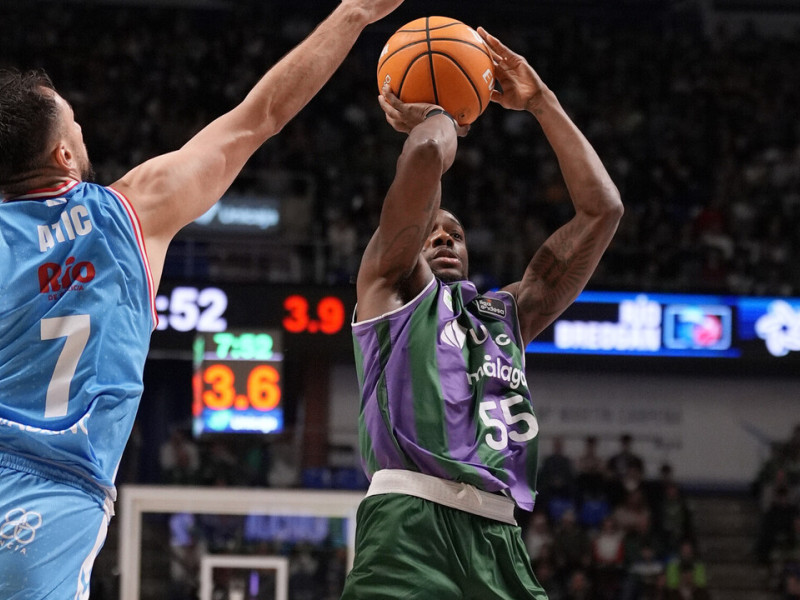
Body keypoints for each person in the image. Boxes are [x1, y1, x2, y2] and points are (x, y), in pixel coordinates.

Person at [0, 0, 406, 596]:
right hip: (54, 497)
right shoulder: (128, 213)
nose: (82, 129)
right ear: (63, 156)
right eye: (74, 123)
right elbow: (258, 117)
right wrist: (354, 13)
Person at [341, 27, 623, 600]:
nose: (445, 240)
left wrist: (542, 101)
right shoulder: (390, 288)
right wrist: (442, 116)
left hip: (500, 537)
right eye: (433, 233)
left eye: (457, 234)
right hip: (409, 525)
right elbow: (423, 155)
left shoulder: (506, 313)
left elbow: (604, 209)